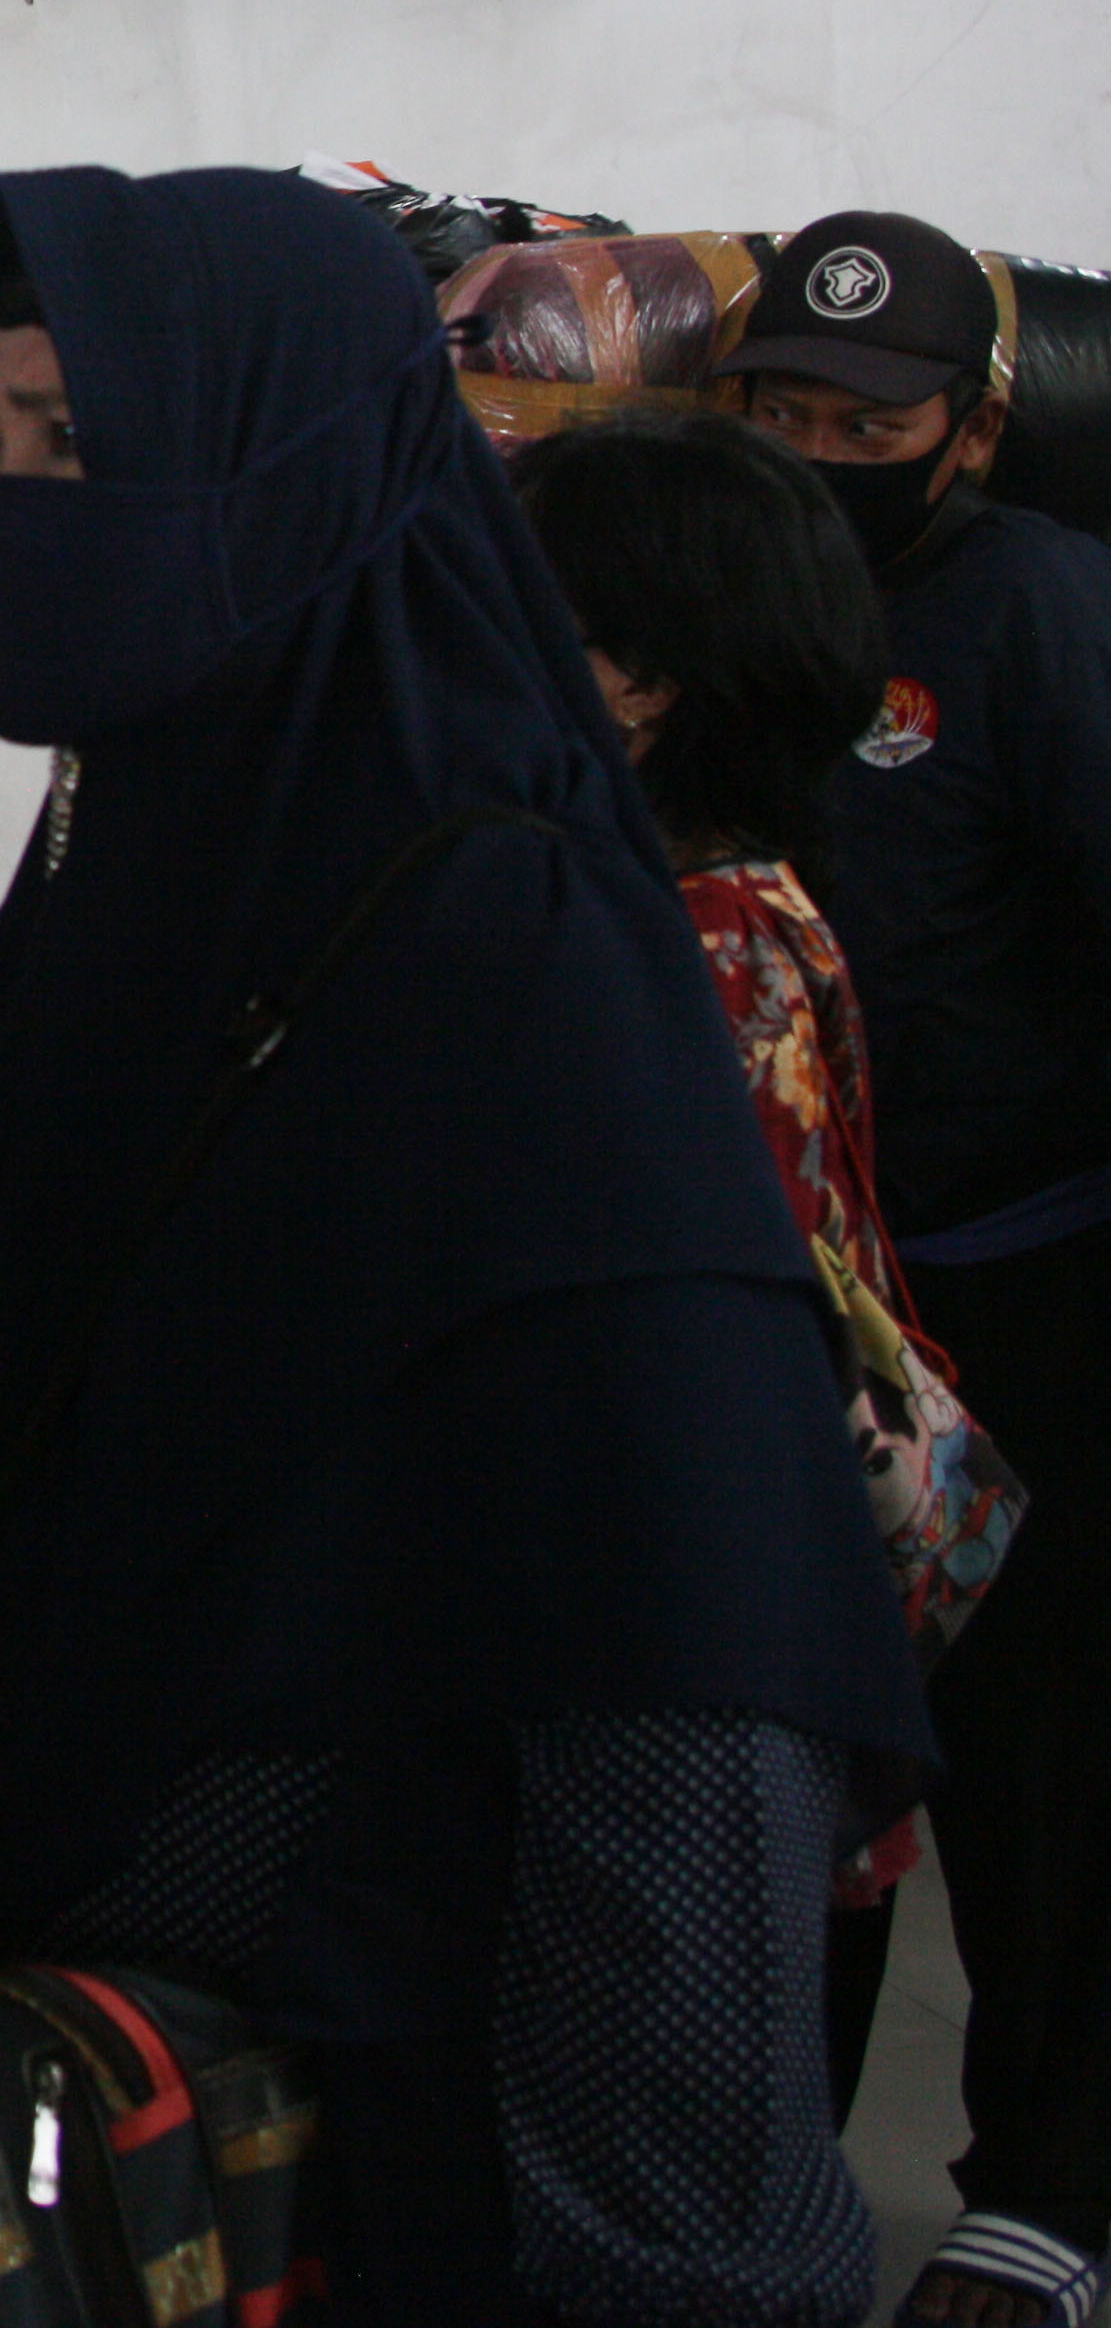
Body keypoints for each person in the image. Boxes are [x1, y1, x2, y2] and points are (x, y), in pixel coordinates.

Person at [0, 169, 930, 2326]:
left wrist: (670, 2269)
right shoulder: (139, 892)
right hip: (104, 2108)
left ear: (301, 460)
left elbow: (670, 1660)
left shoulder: (497, 945)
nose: (16, 502)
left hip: (418, 2151)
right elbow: (84, 1468)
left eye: (76, 434)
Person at [719, 209, 1111, 2328]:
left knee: (1036, 1772)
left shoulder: (1036, 614)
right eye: (778, 406)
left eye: (861, 418)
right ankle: (763, 2161)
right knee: (794, 1760)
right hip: (787, 1310)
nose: (816, 446)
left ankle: (1045, 2187)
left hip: (1019, 1282)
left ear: (963, 432)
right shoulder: (714, 600)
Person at [510, 409, 979, 2103]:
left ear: (638, 682)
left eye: (516, 609)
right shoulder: (740, 903)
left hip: (688, 1681)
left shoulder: (684, 957)